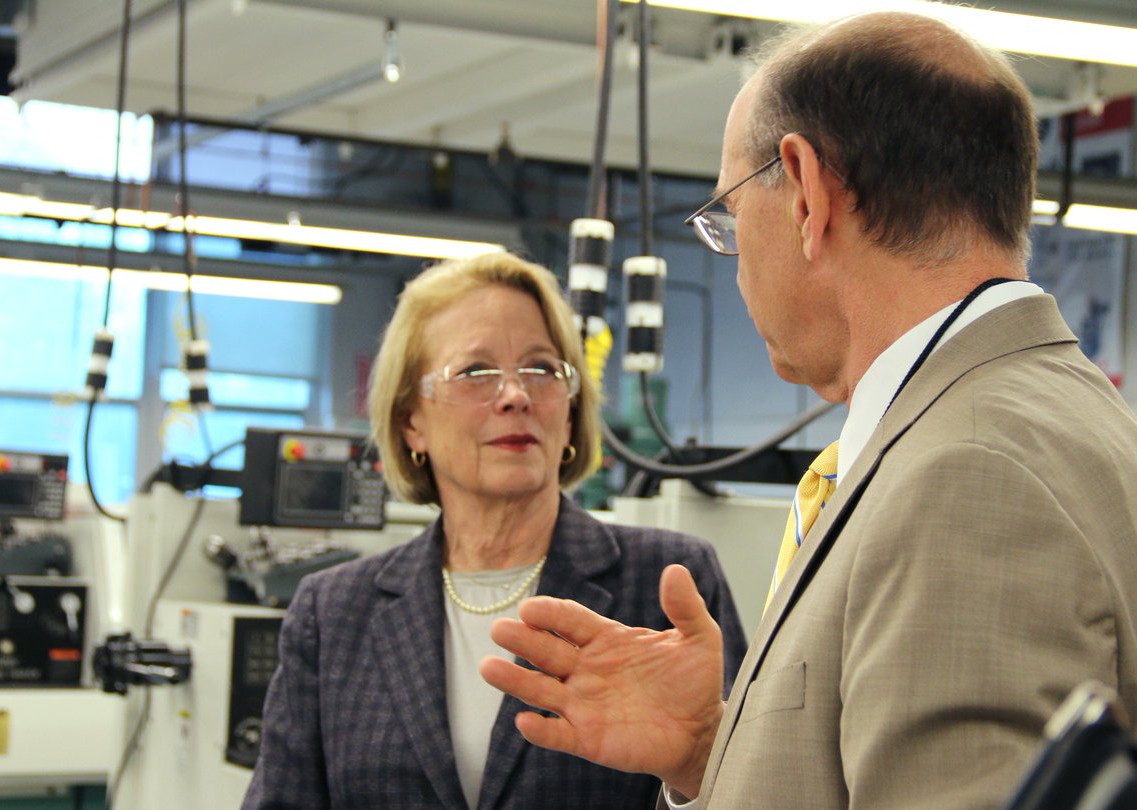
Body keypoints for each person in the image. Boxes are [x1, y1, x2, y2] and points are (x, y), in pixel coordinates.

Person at [480, 11, 1137, 810]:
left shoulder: (968, 478)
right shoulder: (1020, 426)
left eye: (729, 216)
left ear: (805, 191)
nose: (733, 260)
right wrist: (709, 758)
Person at [242, 252, 747, 810]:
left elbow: (767, 792)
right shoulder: (334, 613)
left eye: (541, 368)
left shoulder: (664, 584)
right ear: (412, 419)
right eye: (475, 372)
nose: (515, 394)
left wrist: (698, 766)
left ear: (571, 407)